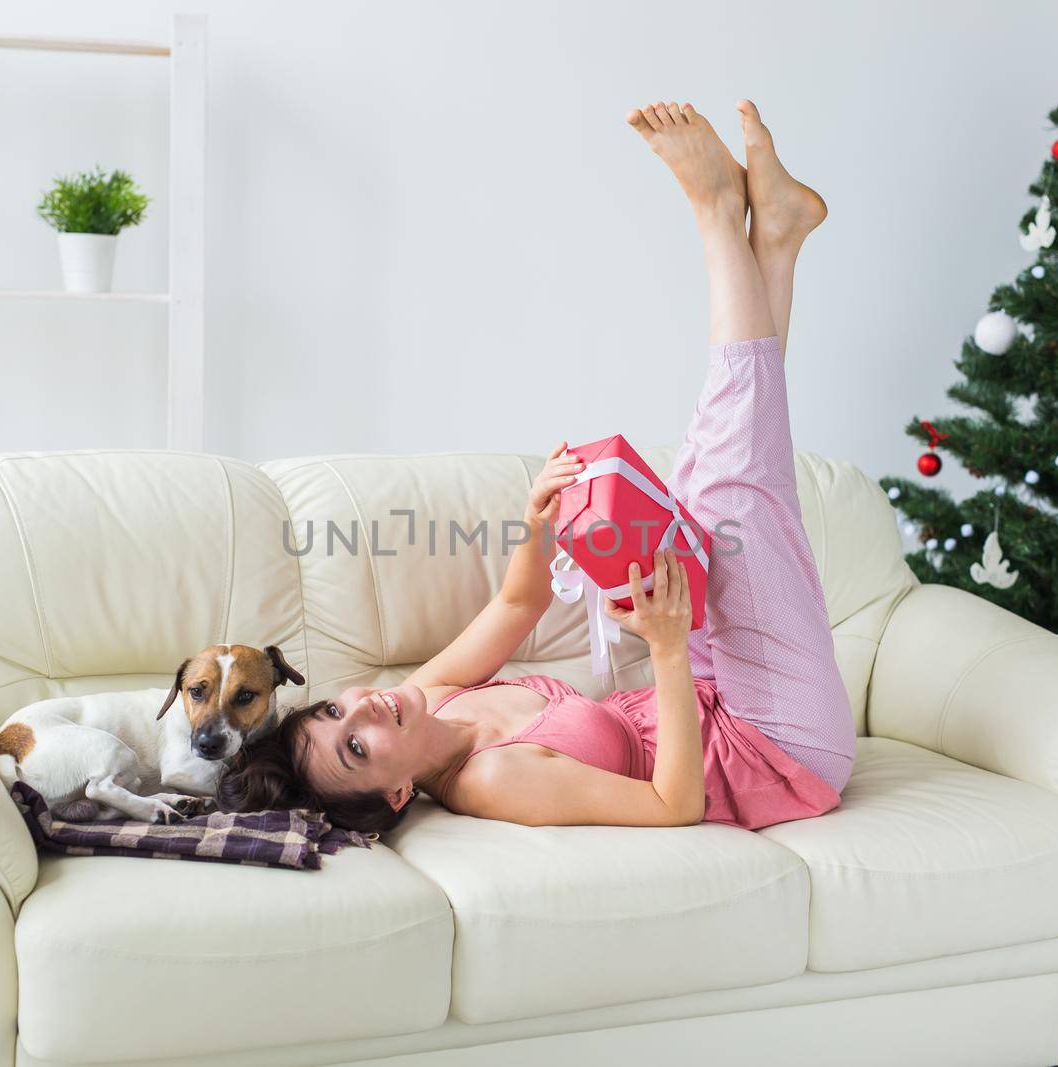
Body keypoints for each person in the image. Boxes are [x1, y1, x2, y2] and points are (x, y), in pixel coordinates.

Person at [219, 99, 854, 834]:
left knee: (696, 496)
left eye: (333, 707)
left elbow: (516, 608)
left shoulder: (430, 699)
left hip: (716, 689)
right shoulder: (489, 779)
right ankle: (717, 209)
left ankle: (776, 236)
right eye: (357, 746)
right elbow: (673, 805)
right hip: (776, 749)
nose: (363, 707)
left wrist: (538, 521)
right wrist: (669, 649)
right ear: (396, 795)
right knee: (729, 492)